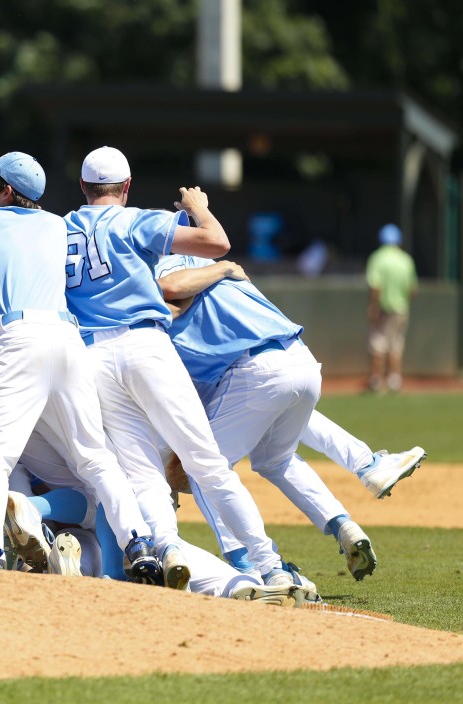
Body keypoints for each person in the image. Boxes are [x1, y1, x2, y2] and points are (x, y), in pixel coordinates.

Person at [0, 151, 162, 579]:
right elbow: (11, 269)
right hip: (66, 338)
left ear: (8, 190)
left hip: (18, 338)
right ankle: (139, 541)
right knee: (93, 456)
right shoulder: (56, 224)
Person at [60, 145, 294, 588]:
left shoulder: (63, 227)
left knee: (141, 469)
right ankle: (270, 566)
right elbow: (217, 243)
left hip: (92, 357)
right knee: (206, 463)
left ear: (83, 187)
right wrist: (199, 208)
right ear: (126, 187)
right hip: (145, 344)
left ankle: (166, 547)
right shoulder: (133, 218)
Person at [155, 254, 372, 581]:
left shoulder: (154, 279)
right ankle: (349, 510)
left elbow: (170, 290)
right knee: (276, 459)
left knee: (202, 468)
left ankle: (255, 566)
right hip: (302, 357)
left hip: (254, 368)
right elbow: (214, 240)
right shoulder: (216, 269)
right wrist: (223, 265)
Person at [366, 223, 417, 392]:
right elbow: (412, 289)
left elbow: (375, 286)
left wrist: (373, 306)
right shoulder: (406, 259)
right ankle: (394, 379)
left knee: (378, 343)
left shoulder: (377, 258)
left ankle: (376, 380)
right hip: (401, 309)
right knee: (396, 344)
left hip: (383, 308)